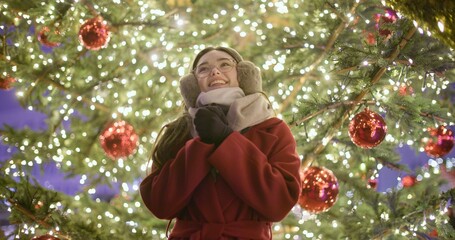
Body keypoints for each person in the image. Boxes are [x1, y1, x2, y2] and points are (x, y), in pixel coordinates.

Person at [140, 46, 301, 239]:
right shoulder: (178, 132)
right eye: (203, 69)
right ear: (193, 84)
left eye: (225, 64)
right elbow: (160, 203)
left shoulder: (273, 130)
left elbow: (279, 202)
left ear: (242, 74)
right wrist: (200, 146)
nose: (215, 71)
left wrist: (226, 140)